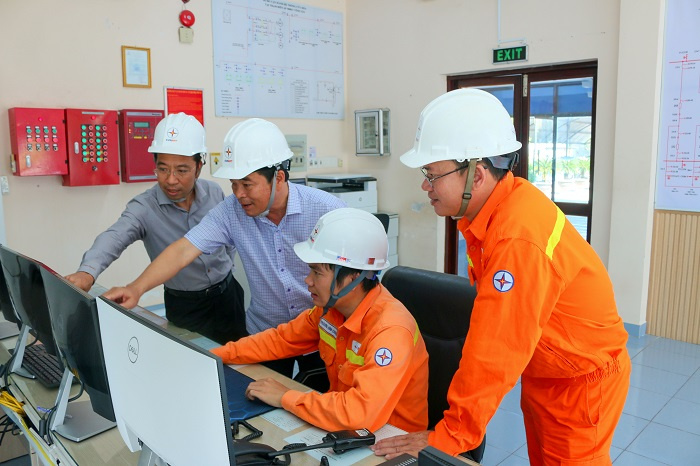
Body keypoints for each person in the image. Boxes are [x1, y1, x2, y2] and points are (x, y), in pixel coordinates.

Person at [372, 89, 631, 465]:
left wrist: (451, 435)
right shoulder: (497, 210)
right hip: (548, 368)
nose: (425, 186)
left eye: (432, 174)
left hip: (581, 382)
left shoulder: (516, 238)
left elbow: (495, 349)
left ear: (476, 175)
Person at [103, 118, 345, 377]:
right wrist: (136, 288)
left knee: (323, 395)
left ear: (279, 177)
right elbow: (184, 250)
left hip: (326, 332)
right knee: (258, 397)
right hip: (267, 336)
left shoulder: (327, 211)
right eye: (233, 184)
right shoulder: (232, 211)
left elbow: (357, 279)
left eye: (247, 184)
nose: (238, 194)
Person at [211, 208, 429, 433]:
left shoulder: (390, 331)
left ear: (353, 277)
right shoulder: (331, 310)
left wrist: (285, 396)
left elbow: (358, 414)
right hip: (340, 422)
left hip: (390, 439)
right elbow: (281, 339)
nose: (308, 280)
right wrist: (214, 356)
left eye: (317, 272)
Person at [66, 113, 246, 344]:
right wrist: (87, 272)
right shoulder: (144, 207)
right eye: (163, 169)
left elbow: (229, 242)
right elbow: (114, 237)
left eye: (182, 170)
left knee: (242, 359)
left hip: (228, 296)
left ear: (198, 167)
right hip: (186, 307)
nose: (170, 179)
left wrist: (228, 268)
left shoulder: (214, 193)